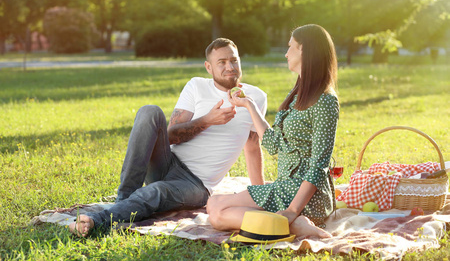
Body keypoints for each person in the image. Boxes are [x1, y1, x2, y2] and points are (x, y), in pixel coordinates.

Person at [69, 38, 267, 237]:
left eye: (234, 60)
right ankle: (124, 199)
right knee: (150, 112)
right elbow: (171, 136)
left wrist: (259, 195)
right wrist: (207, 120)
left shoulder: (255, 98)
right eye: (221, 62)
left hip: (196, 185)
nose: (229, 67)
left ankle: (98, 220)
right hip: (167, 162)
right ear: (209, 67)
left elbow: (252, 145)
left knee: (155, 192)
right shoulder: (196, 86)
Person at [207, 24, 339, 238]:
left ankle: (292, 223)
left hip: (305, 196)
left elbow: (319, 165)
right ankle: (291, 225)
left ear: (304, 49)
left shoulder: (325, 101)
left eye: (290, 47)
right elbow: (274, 144)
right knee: (214, 204)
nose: (286, 53)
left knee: (218, 214)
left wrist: (291, 211)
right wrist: (249, 105)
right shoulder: (298, 94)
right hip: (286, 187)